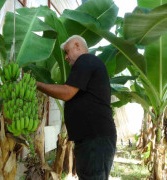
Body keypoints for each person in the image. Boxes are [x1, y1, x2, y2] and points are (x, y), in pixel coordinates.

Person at [36, 35, 117, 180]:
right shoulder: (90, 64)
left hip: (95, 140)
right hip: (92, 139)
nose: (66, 57)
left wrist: (37, 85)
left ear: (78, 46)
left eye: (67, 52)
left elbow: (67, 92)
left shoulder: (85, 60)